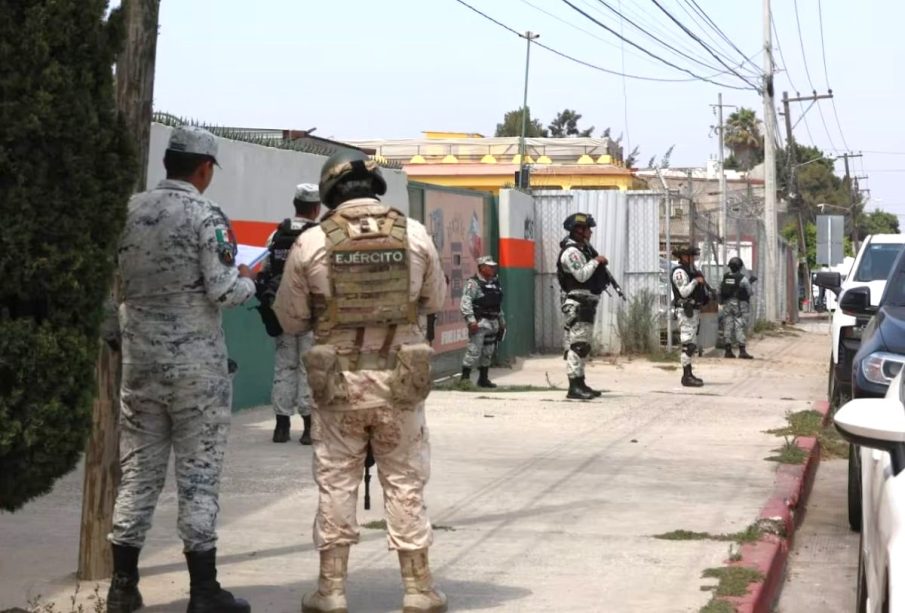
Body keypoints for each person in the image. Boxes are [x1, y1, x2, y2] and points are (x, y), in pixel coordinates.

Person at [273, 150, 448, 613]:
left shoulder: (311, 242)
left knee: (336, 482)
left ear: (330, 192)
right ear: (376, 187)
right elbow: (435, 299)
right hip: (400, 384)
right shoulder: (414, 235)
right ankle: (418, 590)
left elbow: (290, 320)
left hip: (339, 388)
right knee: (405, 480)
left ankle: (330, 592)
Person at [107, 126, 253, 613]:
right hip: (197, 372)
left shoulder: (126, 210)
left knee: (138, 475)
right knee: (199, 475)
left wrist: (121, 337)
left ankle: (122, 586)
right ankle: (204, 592)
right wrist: (250, 281)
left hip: (139, 365)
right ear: (204, 169)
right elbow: (225, 291)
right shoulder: (204, 215)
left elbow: (108, 294)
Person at [257, 183, 321, 444]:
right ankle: (308, 428)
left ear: (295, 204)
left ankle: (281, 426)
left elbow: (265, 269)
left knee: (284, 366)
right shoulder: (319, 236)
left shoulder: (276, 235)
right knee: (309, 368)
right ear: (316, 209)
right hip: (310, 313)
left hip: (281, 311)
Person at [557, 212, 608, 400]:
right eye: (588, 229)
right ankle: (574, 387)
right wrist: (597, 261)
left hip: (585, 303)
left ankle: (580, 382)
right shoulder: (572, 252)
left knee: (582, 345)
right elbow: (581, 275)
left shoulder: (583, 249)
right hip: (577, 303)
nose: (590, 232)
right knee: (577, 345)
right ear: (578, 230)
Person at [460, 255, 505, 388]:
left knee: (488, 351)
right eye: (489, 266)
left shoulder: (495, 283)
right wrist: (471, 321)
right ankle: (464, 379)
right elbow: (466, 302)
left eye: (493, 266)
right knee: (474, 350)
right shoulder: (473, 284)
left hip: (493, 322)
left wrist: (502, 320)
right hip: (480, 322)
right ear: (481, 268)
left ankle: (483, 379)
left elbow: (497, 304)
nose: (492, 268)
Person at [671, 245, 709, 387]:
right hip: (685, 312)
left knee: (691, 343)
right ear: (683, 257)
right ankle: (686, 377)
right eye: (690, 256)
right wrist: (695, 281)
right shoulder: (679, 272)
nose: (692, 259)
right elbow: (684, 292)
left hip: (693, 312)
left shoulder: (691, 271)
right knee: (689, 345)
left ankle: (688, 374)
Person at [720, 256, 754, 359]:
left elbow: (719, 289)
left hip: (727, 304)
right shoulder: (742, 278)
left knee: (728, 325)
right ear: (740, 267)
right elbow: (750, 292)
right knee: (739, 326)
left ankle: (728, 350)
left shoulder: (725, 277)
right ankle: (742, 351)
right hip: (739, 305)